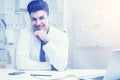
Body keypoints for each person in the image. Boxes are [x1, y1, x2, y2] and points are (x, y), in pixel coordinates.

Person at [16, 0, 69, 71]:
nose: (38, 23)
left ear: (48, 17)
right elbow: (21, 63)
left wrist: (47, 40)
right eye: (34, 19)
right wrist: (51, 66)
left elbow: (62, 65)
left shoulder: (61, 36)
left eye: (41, 18)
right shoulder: (25, 34)